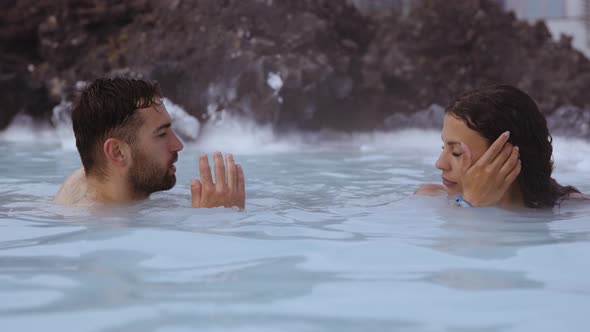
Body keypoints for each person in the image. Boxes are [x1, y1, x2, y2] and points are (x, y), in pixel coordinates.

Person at [54, 77, 245, 208]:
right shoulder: (100, 231)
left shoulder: (86, 181)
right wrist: (219, 223)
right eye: (162, 135)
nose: (178, 145)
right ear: (117, 152)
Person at [416, 84, 585, 208]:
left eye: (456, 152)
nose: (439, 163)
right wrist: (469, 203)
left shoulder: (576, 210)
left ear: (507, 155)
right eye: (443, 147)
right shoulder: (428, 199)